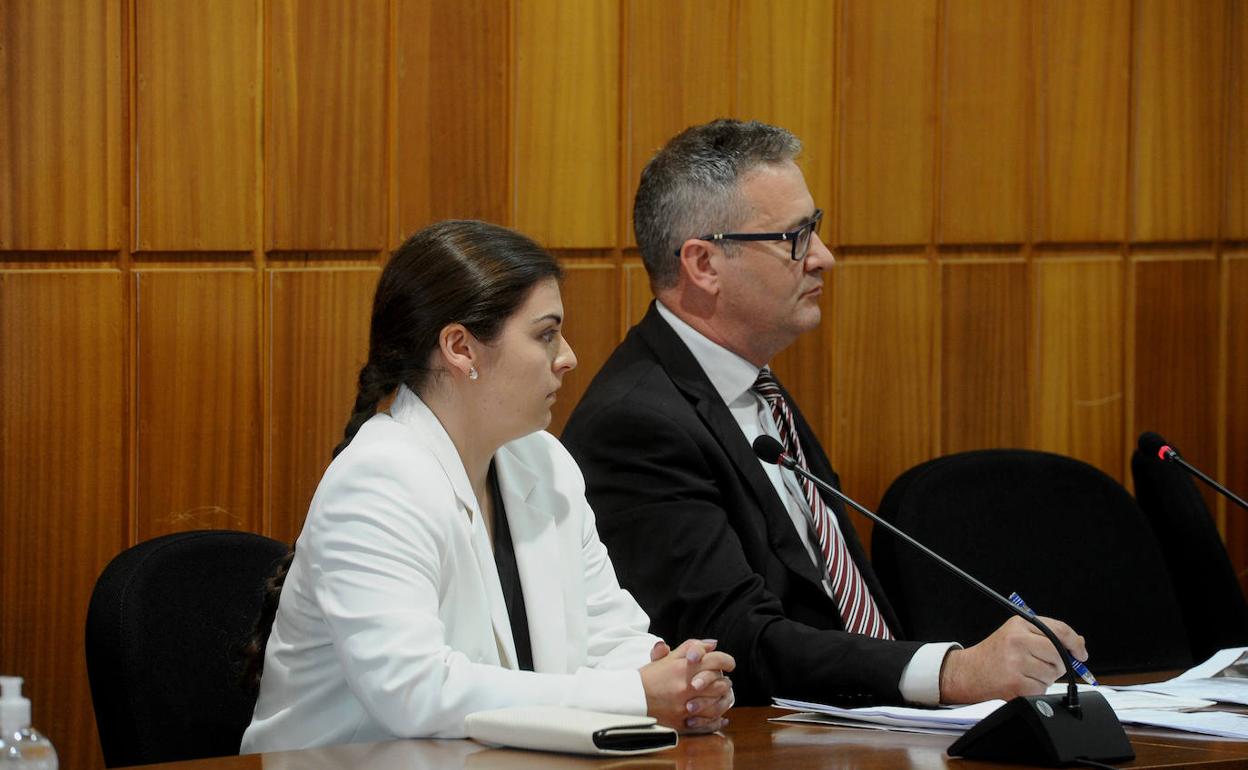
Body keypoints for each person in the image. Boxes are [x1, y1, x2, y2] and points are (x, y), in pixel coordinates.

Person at [561, 120, 1087, 708]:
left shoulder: (753, 387)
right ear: (703, 263)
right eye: (794, 237)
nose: (823, 258)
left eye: (816, 228)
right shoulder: (636, 426)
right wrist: (951, 673)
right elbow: (733, 642)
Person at [242, 220, 734, 752]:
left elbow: (607, 632)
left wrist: (684, 680)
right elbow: (415, 691)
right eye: (546, 334)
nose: (567, 356)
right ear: (461, 348)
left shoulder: (543, 461)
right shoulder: (376, 481)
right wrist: (635, 695)